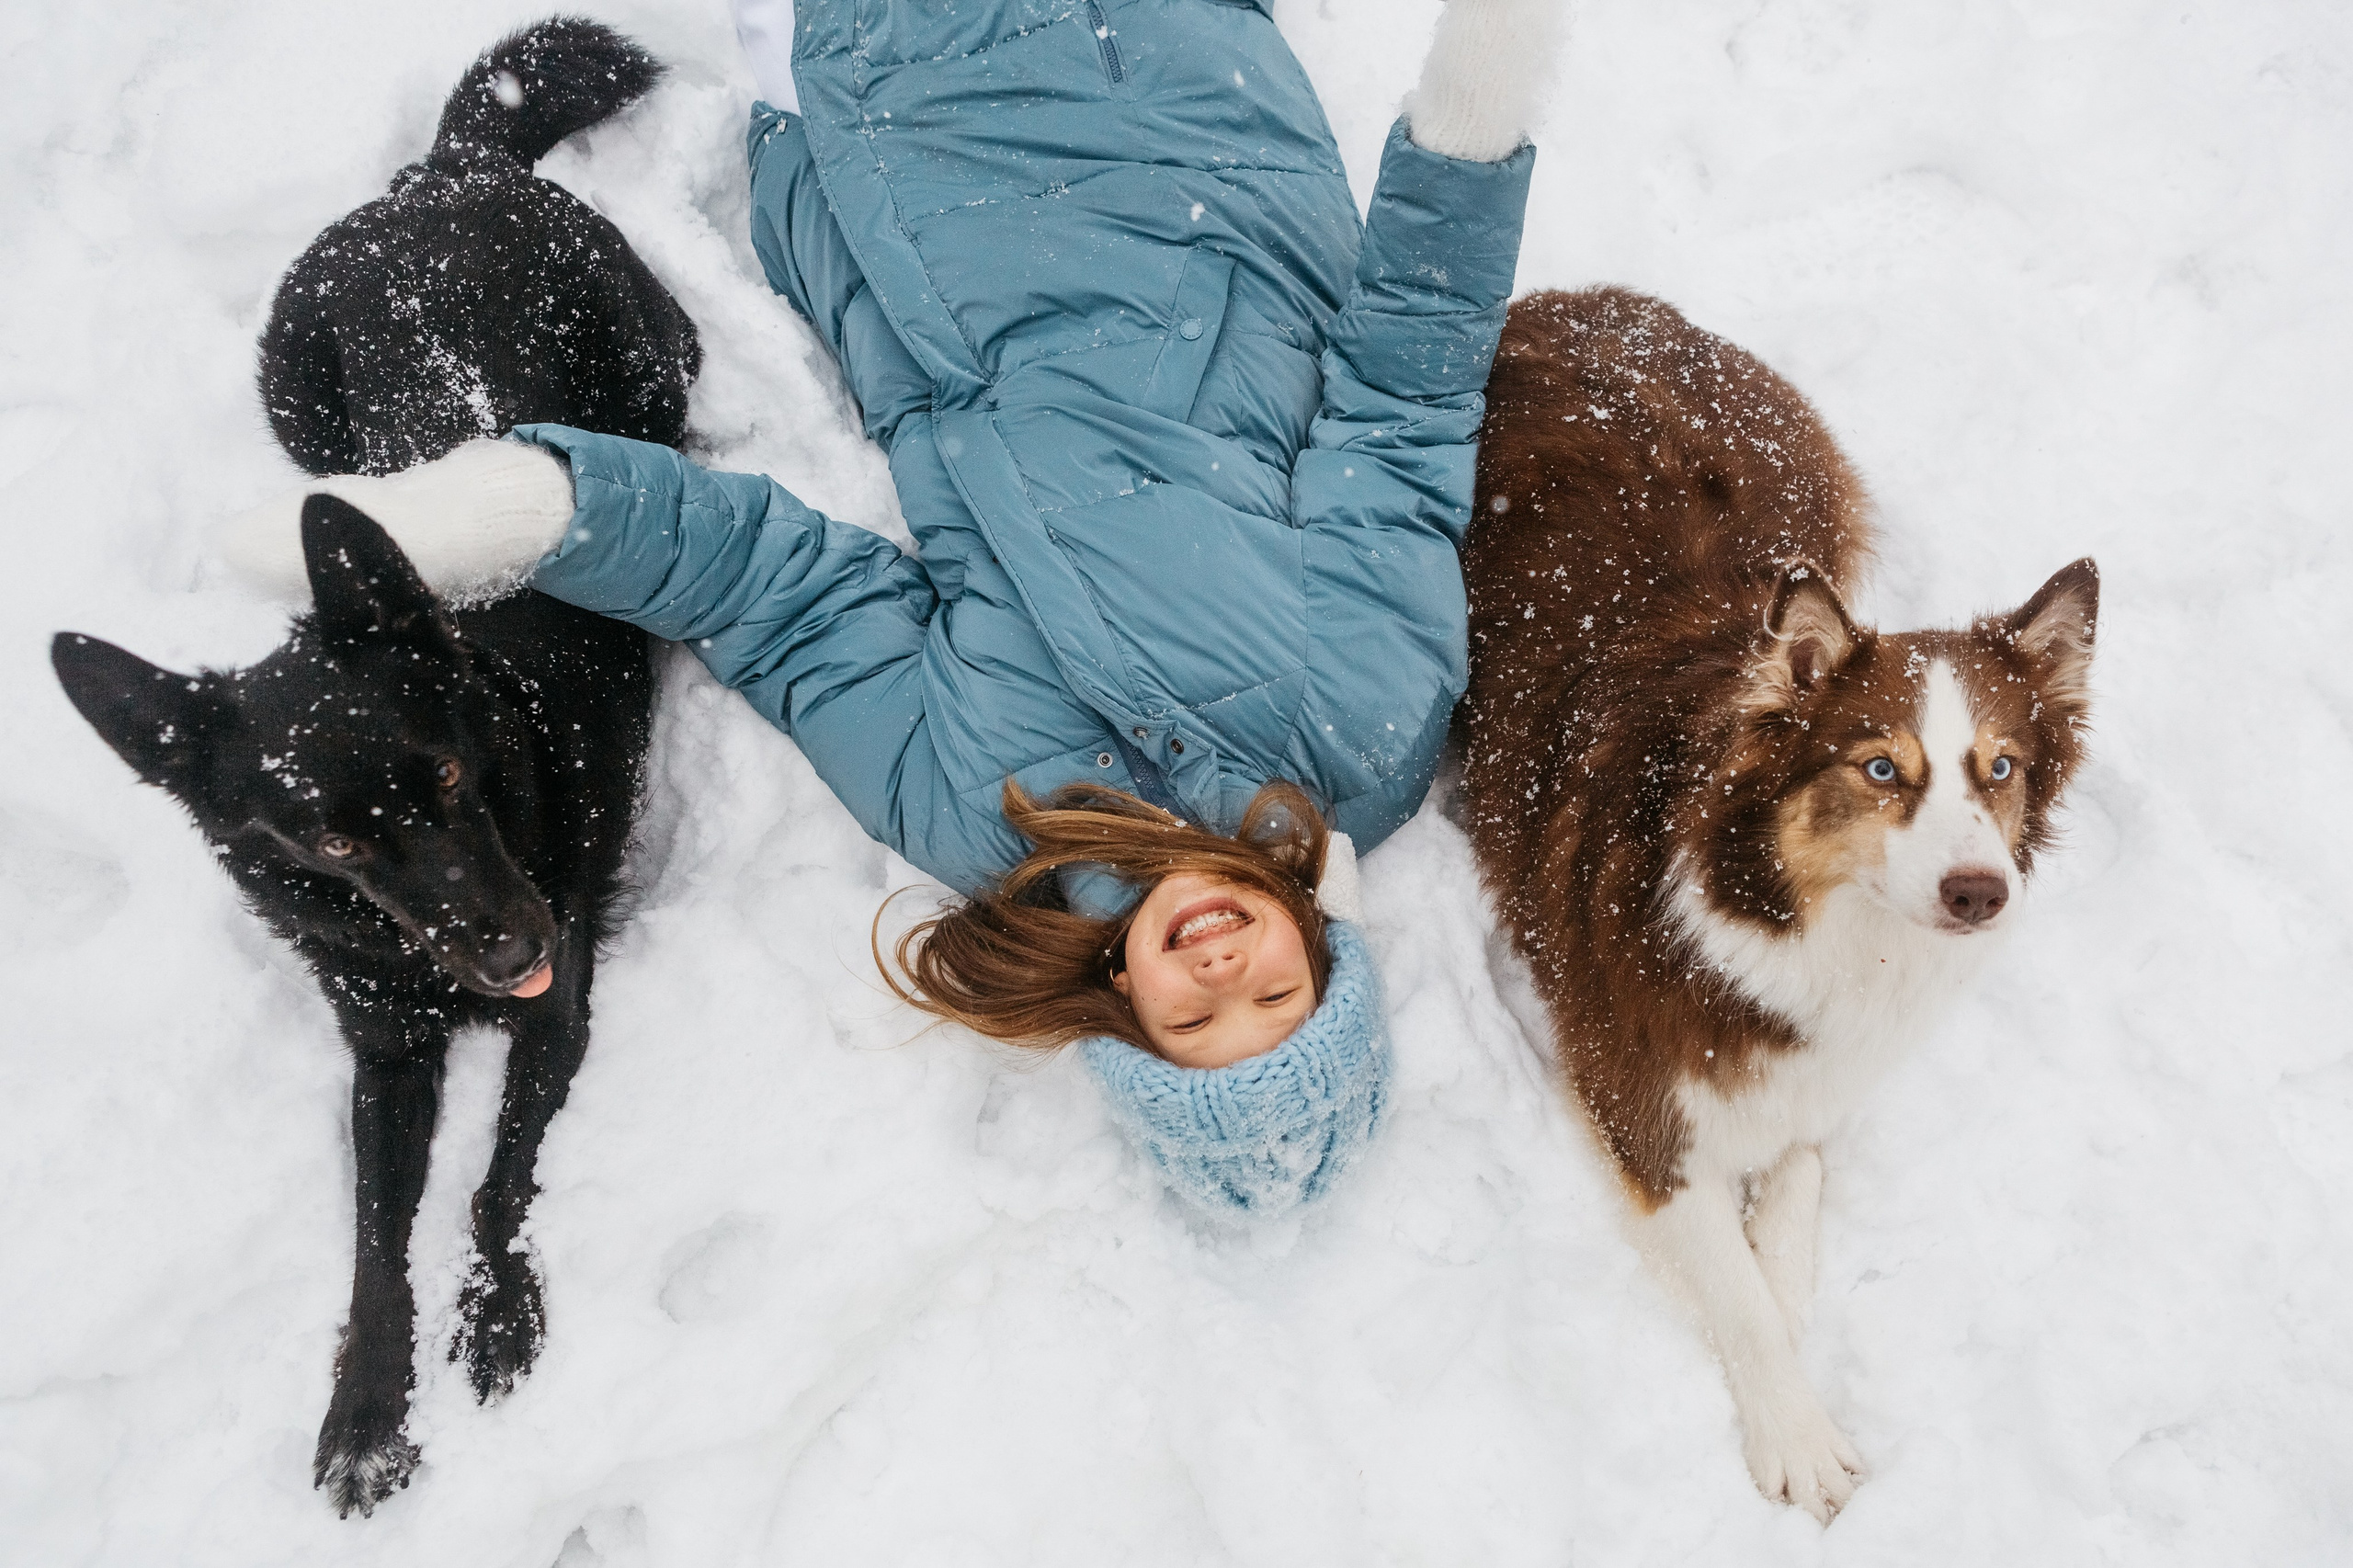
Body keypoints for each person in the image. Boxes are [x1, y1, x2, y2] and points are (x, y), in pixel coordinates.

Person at [226, 0, 1560, 1216]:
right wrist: (1475, 126)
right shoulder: (1365, 727)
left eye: (1197, 1024)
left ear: (1125, 1007)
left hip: (892, 167)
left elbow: (774, 596)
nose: (1225, 974)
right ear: (1325, 949)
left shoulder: (985, 813)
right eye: (1280, 995)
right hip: (1162, 105)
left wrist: (519, 514)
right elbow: (1406, 397)